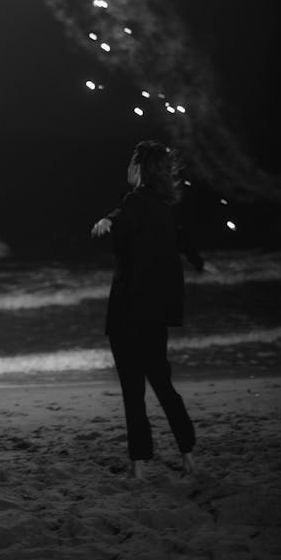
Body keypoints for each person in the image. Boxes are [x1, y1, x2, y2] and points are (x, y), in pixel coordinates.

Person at [91, 140, 203, 479]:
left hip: (128, 309)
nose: (127, 168)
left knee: (132, 388)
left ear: (138, 168)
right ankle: (188, 453)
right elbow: (181, 239)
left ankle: (139, 463)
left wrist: (106, 222)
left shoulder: (135, 201)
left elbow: (125, 217)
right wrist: (199, 262)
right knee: (162, 382)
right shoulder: (164, 205)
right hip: (155, 311)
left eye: (130, 162)